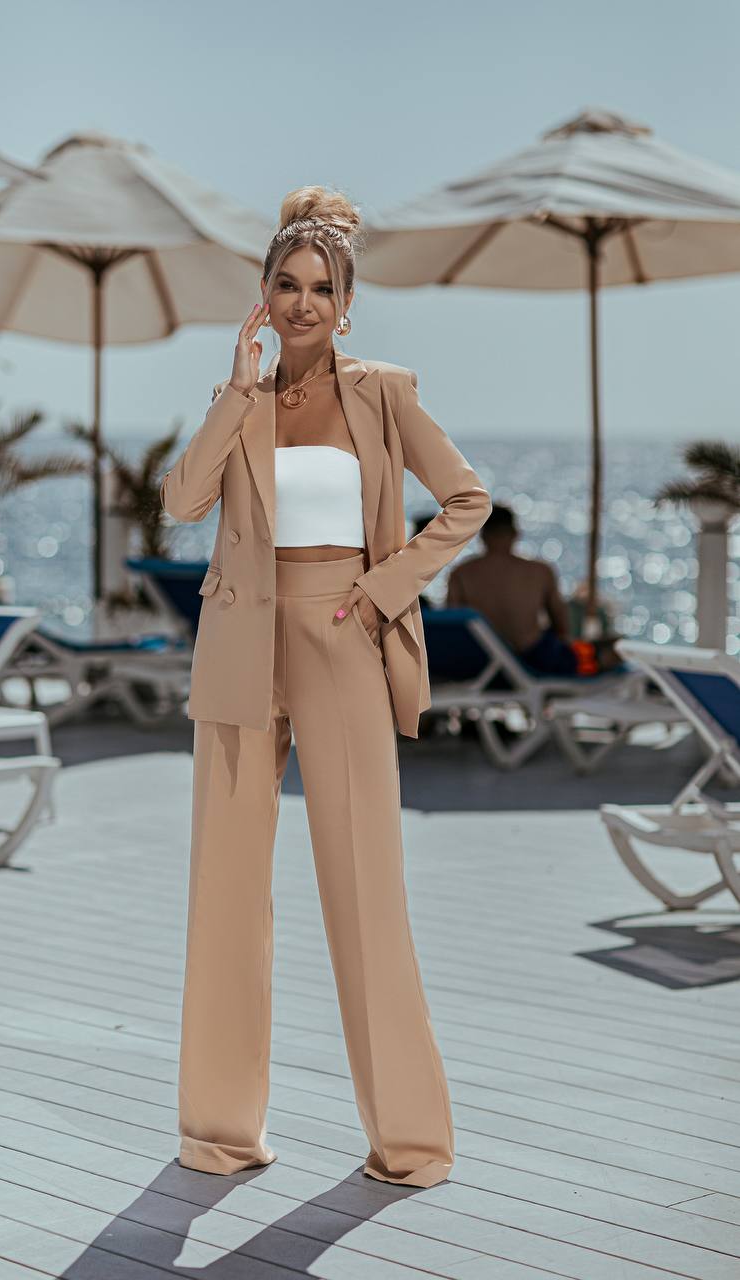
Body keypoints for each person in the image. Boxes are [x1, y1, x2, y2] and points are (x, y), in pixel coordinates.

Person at [160, 185, 492, 1188]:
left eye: (322, 287)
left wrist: (382, 591)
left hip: (344, 636)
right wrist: (235, 385)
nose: (303, 301)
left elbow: (466, 499)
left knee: (364, 891)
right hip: (237, 648)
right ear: (261, 296)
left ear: (347, 303)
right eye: (285, 284)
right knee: (225, 891)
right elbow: (182, 503)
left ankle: (407, 1140)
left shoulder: (382, 391)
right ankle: (219, 1129)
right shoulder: (248, 400)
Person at [446, 503, 580, 674]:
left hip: (481, 662)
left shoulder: (461, 573)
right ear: (515, 534)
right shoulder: (540, 571)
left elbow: (453, 624)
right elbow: (561, 627)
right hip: (533, 659)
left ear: (483, 535)